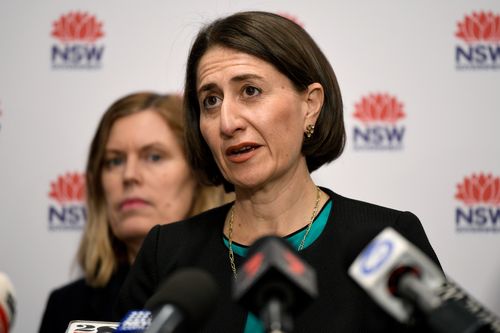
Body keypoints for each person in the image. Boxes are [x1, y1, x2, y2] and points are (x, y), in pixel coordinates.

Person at [114, 12, 441, 332]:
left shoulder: (384, 240)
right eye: (211, 100)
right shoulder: (166, 251)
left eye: (250, 91)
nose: (228, 123)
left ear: (310, 105)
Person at [38, 92, 232, 333]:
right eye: (114, 161)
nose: (129, 175)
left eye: (153, 156)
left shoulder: (238, 288)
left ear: (197, 175)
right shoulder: (66, 306)